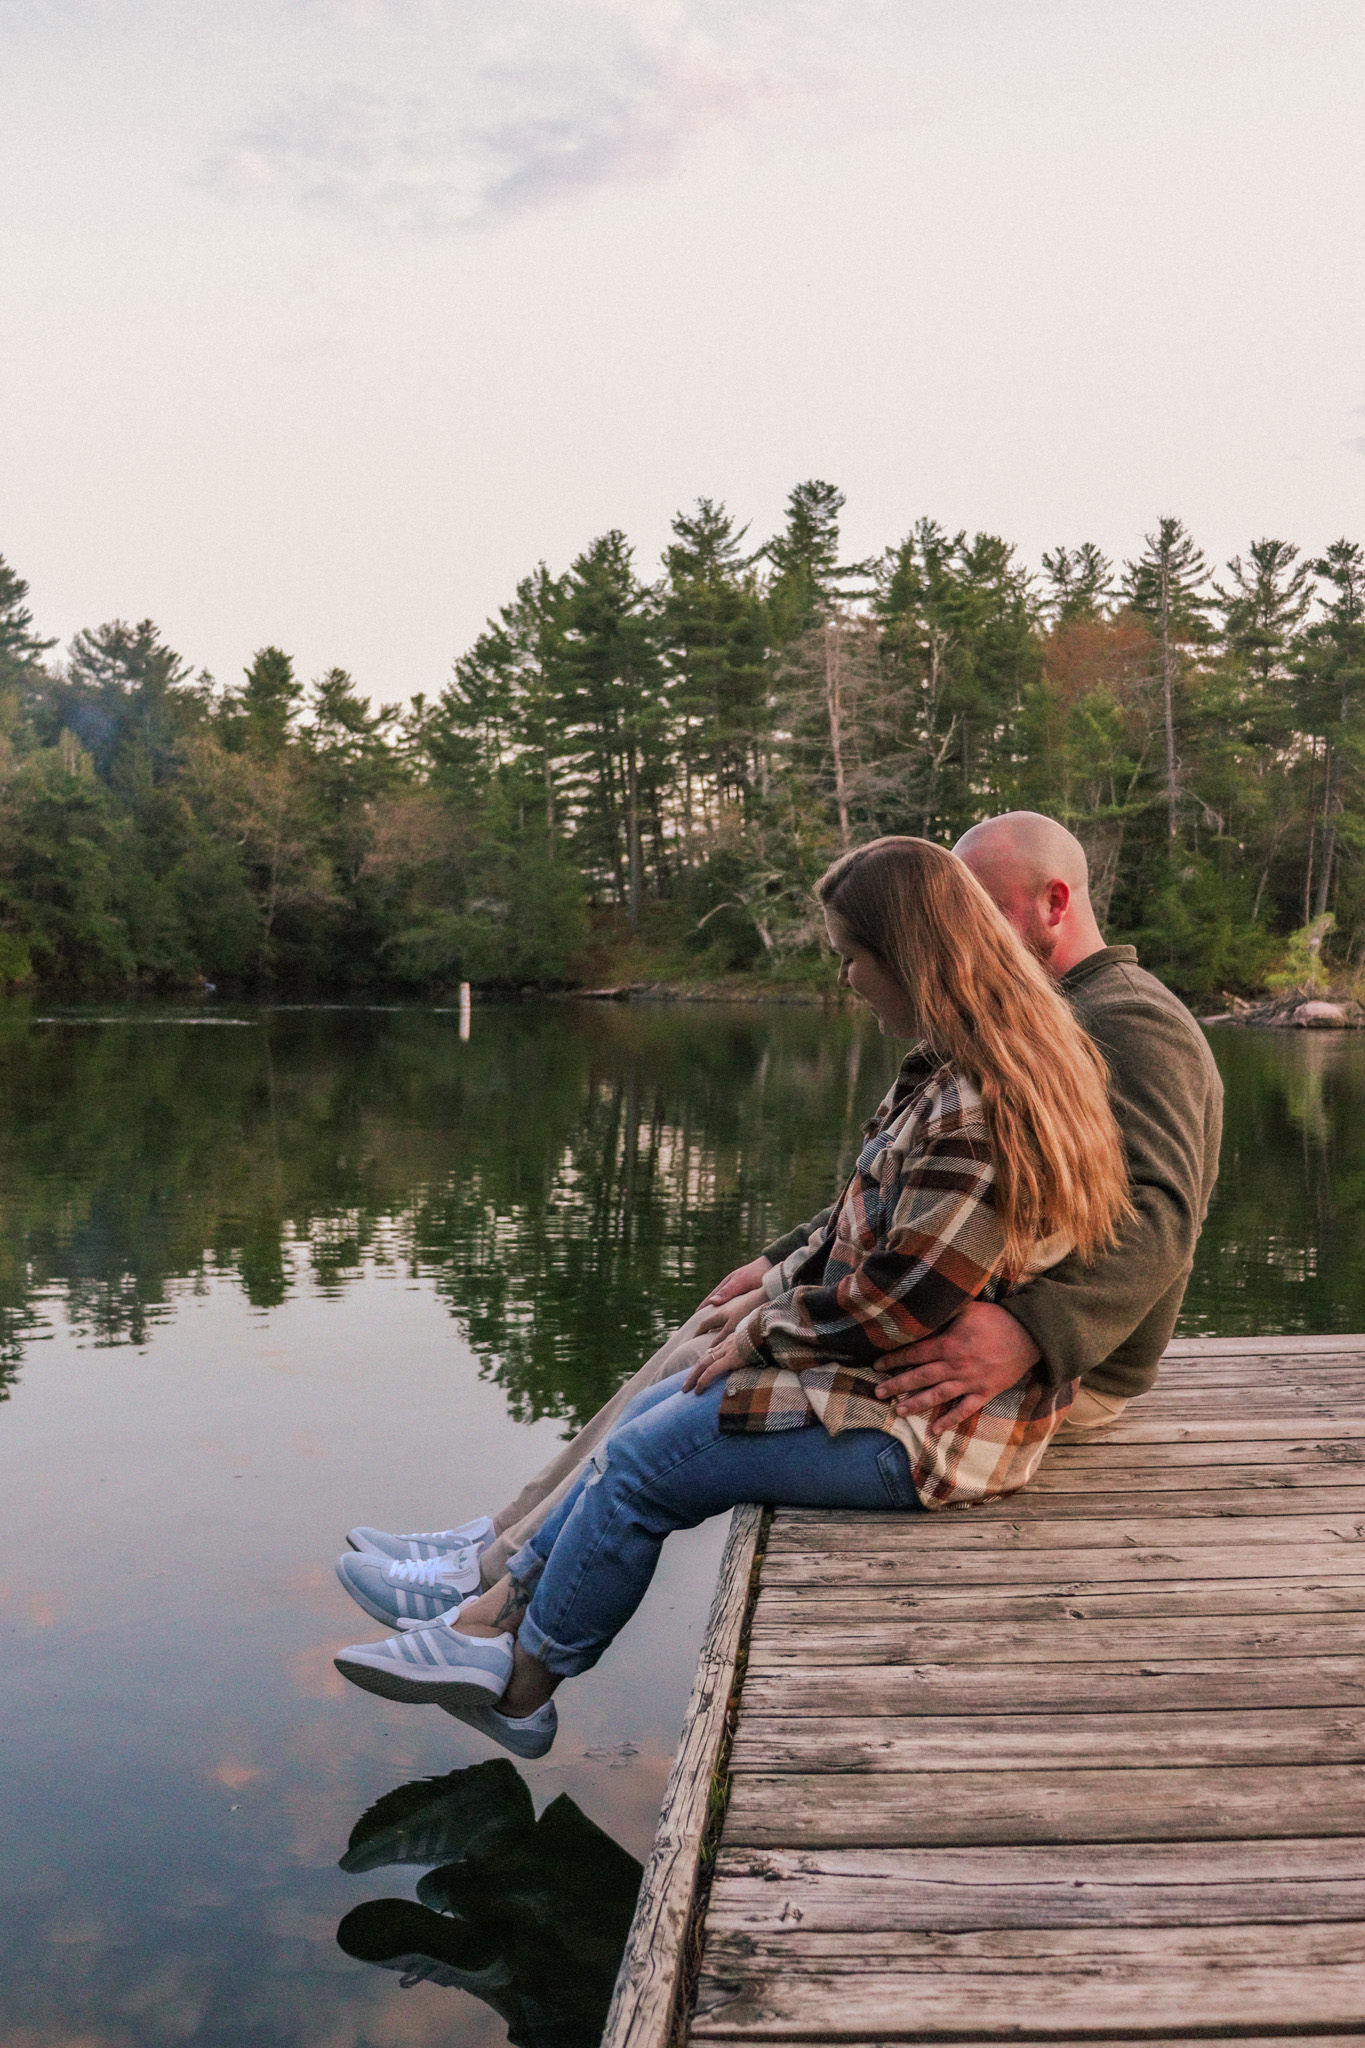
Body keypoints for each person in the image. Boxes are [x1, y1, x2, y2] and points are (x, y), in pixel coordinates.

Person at [333, 835, 1132, 1756]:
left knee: (652, 1460)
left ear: (908, 959)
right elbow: (858, 1236)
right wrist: (769, 1297)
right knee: (661, 1409)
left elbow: (898, 1303)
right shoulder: (946, 1072)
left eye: (851, 956)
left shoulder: (981, 1105)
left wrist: (761, 1332)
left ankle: (522, 1685)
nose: (844, 978)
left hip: (934, 1430)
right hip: (891, 1388)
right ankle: (483, 1618)